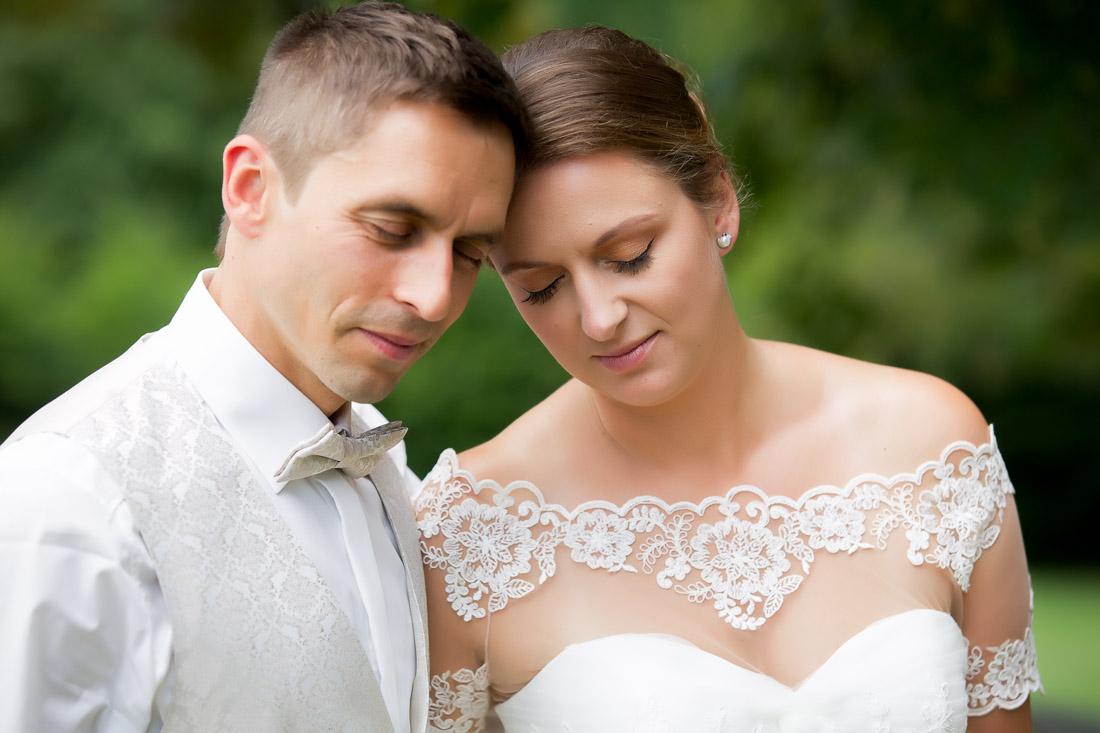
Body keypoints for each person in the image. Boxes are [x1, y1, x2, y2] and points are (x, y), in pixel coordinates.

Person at [416, 26, 1042, 732]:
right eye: (541, 287)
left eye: (630, 255)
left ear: (718, 200)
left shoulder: (933, 446)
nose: (597, 318)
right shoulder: (471, 531)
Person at [0, 3, 525, 731]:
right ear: (250, 187)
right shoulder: (69, 499)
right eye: (392, 229)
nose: (435, 295)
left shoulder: (395, 482)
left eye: (470, 253)